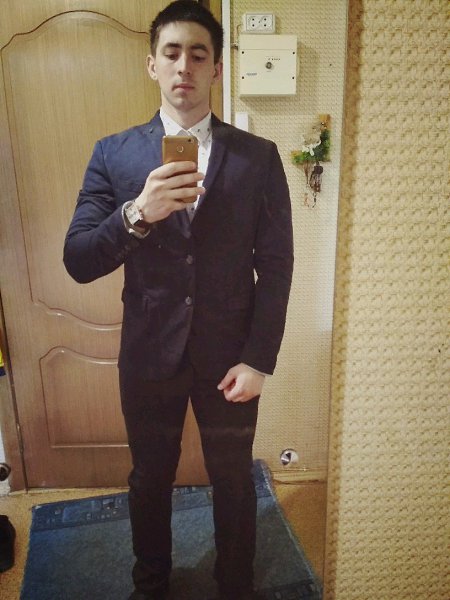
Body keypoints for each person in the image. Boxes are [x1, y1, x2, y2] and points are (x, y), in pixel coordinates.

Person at [63, 2, 293, 598]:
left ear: (216, 68)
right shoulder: (113, 154)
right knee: (149, 477)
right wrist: (138, 213)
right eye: (171, 53)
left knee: (233, 479)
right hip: (148, 354)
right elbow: (79, 259)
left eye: (198, 53)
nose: (183, 66)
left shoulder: (258, 156)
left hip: (230, 358)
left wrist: (259, 358)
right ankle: (151, 584)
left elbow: (276, 266)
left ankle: (235, 583)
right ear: (152, 65)